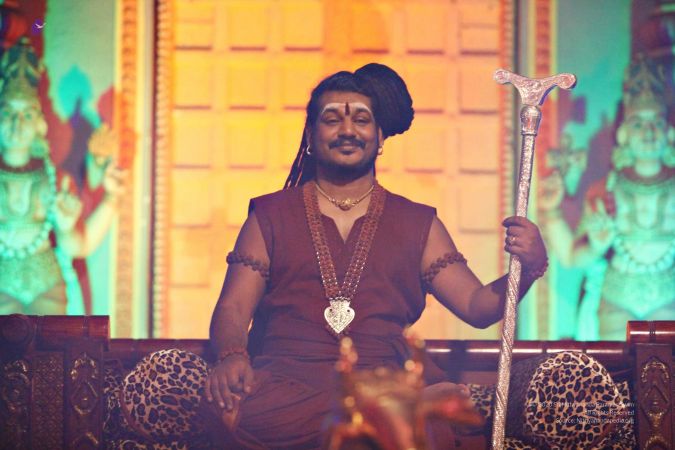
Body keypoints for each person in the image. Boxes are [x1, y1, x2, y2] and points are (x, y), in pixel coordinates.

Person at [114, 63, 630, 449]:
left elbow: (478, 308)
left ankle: (392, 408)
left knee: (407, 421)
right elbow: (232, 308)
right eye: (332, 119)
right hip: (285, 383)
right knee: (234, 412)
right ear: (311, 136)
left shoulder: (417, 221)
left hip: (384, 380)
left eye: (361, 119)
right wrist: (231, 357)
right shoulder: (270, 214)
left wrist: (530, 266)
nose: (348, 129)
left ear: (380, 137)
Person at [541, 55, 675, 340]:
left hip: (668, 298)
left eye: (656, 122)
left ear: (669, 131)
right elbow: (572, 256)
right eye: (638, 124)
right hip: (616, 300)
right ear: (624, 134)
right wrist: (552, 213)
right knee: (616, 367)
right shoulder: (606, 189)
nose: (648, 133)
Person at [0, 38, 125, 315]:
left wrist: (111, 198)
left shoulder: (56, 179)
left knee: (53, 342)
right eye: (8, 113)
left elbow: (78, 246)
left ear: (39, 123)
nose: (16, 125)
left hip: (48, 288)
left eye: (26, 115)